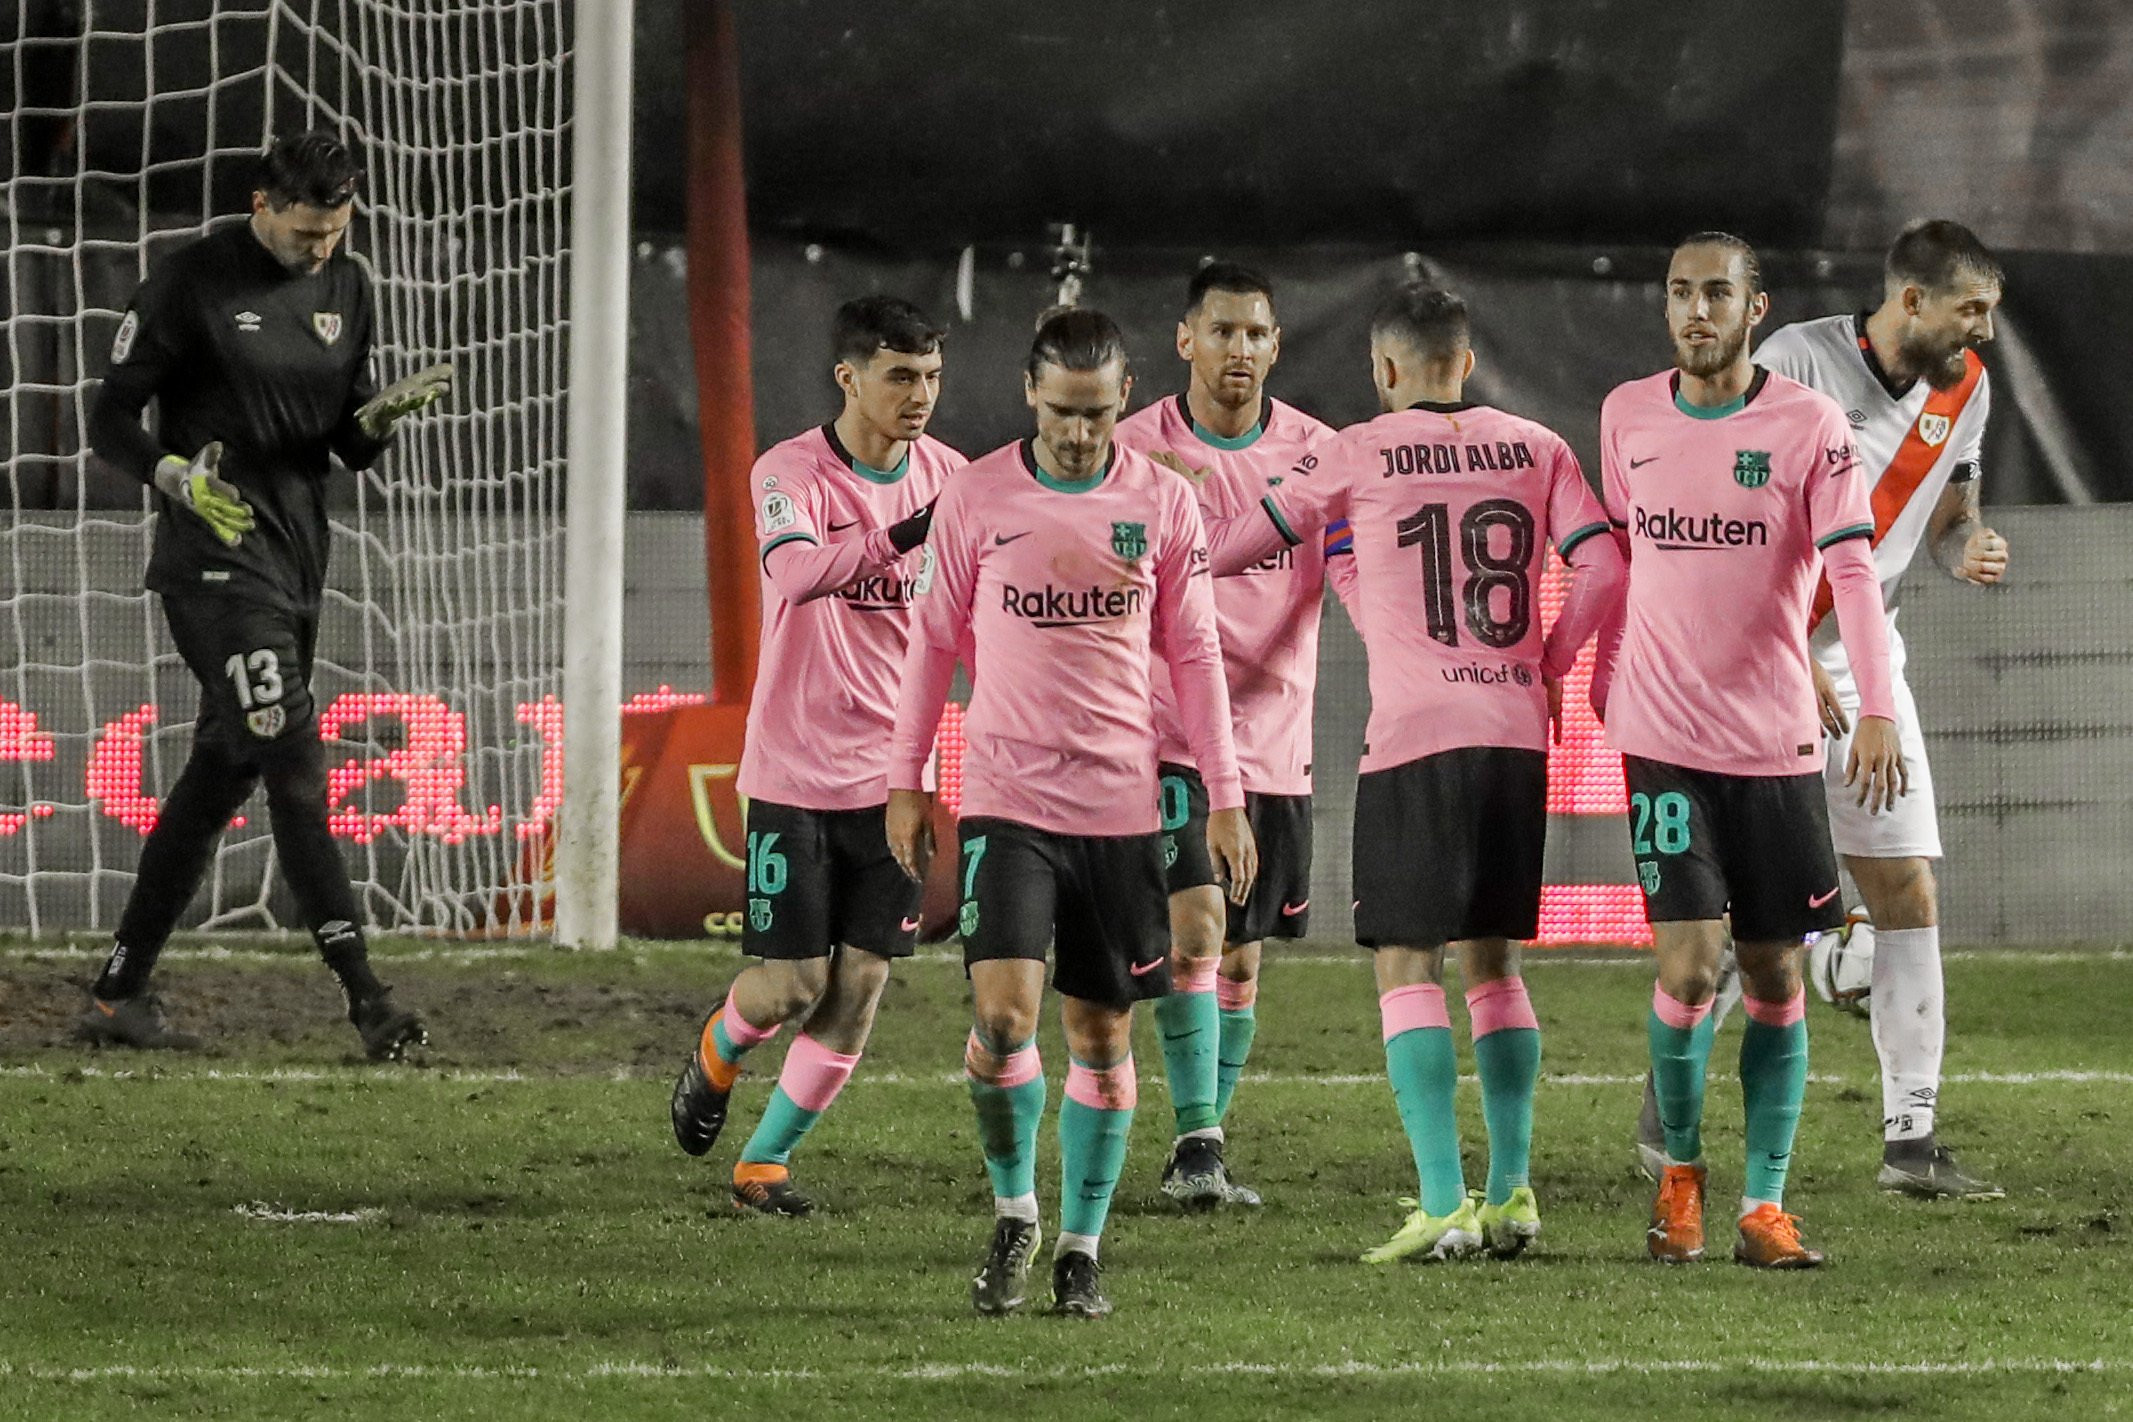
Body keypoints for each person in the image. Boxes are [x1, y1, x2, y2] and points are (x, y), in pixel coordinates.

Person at [1194, 283, 1624, 1263]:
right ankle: (1513, 1194)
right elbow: (1602, 567)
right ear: (1466, 363)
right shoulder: (1537, 448)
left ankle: (1442, 1204)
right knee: (1495, 963)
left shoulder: (1353, 452)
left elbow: (1240, 545)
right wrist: (1551, 664)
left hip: (1416, 737)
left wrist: (1168, 544)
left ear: (1384, 370)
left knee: (1404, 963)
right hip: (1514, 734)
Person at [885, 307, 1255, 1318]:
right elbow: (930, 644)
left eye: (1098, 414)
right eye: (1062, 411)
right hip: (1009, 803)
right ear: (1028, 395)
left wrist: (1225, 798)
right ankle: (1015, 1210)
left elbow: (1197, 657)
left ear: (1126, 401)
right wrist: (907, 777)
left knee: (1099, 1036)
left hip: (1121, 810)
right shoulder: (977, 496)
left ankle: (1082, 1248)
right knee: (1002, 1021)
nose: (1081, 432)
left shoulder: (1163, 507)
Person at [80, 130, 452, 1060]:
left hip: (296, 560)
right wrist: (173, 477)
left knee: (220, 779)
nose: (319, 248)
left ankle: (119, 994)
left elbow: (340, 441)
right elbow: (108, 417)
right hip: (213, 561)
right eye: (302, 232)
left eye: (334, 229)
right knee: (295, 761)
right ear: (260, 207)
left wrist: (376, 421)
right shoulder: (192, 280)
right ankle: (369, 1001)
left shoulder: (349, 285)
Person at [1594, 233, 1905, 1270]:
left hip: (1771, 746)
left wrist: (1876, 708)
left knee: (1774, 976)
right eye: (1679, 291)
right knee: (1688, 969)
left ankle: (1763, 1208)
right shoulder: (1625, 414)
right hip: (1663, 738)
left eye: (1716, 293)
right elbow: (1639, 562)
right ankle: (1681, 1177)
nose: (1695, 310)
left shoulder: (1810, 426)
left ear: (1756, 308)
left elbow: (1850, 578)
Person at [668, 296, 958, 1217]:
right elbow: (796, 573)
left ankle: (764, 1163)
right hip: (795, 772)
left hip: (897, 781)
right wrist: (910, 531)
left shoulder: (951, 474)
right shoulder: (789, 472)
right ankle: (718, 1049)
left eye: (932, 377)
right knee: (794, 983)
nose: (920, 396)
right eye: (900, 376)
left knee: (864, 980)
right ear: (849, 378)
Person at [1746, 220, 2004, 1201]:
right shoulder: (1794, 363)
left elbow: (1947, 520)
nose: (1982, 332)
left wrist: (1965, 547)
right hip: (1754, 656)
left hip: (1864, 672)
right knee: (1744, 912)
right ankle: (1666, 1116)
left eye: (1990, 311)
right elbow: (1745, 529)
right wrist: (1782, 650)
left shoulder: (1965, 388)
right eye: (1968, 310)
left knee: (1908, 892)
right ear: (1911, 301)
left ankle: (1911, 1145)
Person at [1110, 260, 1351, 1209]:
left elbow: (1347, 562)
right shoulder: (1130, 447)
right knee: (1196, 926)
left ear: (1275, 346)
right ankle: (1197, 1142)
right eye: (1221, 332)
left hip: (1276, 739)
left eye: (1255, 333)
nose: (1238, 350)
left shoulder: (1319, 453)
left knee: (1243, 957)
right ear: (1184, 341)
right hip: (1167, 733)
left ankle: (1203, 1130)